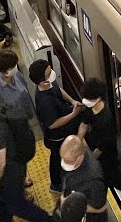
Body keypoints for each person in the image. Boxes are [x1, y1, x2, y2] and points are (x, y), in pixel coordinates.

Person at [0, 88, 53, 222]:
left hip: (10, 173)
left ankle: (48, 220)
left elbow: (1, 163)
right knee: (3, 201)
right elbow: (5, 137)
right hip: (18, 162)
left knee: (18, 207)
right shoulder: (2, 112)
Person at [77, 78, 121, 204]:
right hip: (97, 148)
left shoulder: (105, 119)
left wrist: (88, 159)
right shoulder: (90, 108)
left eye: (88, 98)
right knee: (110, 177)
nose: (85, 101)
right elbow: (84, 124)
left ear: (97, 98)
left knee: (114, 177)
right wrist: (78, 142)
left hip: (107, 153)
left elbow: (101, 148)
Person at [29, 60, 80, 195]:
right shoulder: (44, 101)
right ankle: (56, 184)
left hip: (64, 122)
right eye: (49, 73)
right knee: (56, 157)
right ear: (41, 82)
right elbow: (53, 124)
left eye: (50, 69)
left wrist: (72, 101)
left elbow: (59, 90)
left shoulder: (48, 84)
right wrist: (73, 115)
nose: (52, 73)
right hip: (56, 136)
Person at [58, 136, 108, 222]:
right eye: (63, 160)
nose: (64, 165)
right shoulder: (71, 157)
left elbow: (100, 208)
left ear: (80, 157)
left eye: (69, 162)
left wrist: (71, 207)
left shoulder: (94, 180)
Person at [0, 50, 36, 123]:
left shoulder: (15, 74)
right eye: (14, 66)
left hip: (25, 114)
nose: (16, 67)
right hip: (14, 121)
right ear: (7, 70)